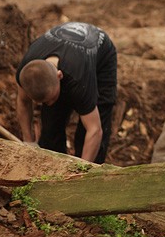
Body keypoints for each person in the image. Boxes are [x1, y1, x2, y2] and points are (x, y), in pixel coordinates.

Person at [15, 22, 117, 164]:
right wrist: (28, 141)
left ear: (59, 75)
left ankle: (92, 174)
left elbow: (95, 130)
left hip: (101, 57)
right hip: (66, 55)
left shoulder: (78, 79)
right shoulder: (25, 72)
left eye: (51, 98)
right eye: (44, 102)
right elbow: (23, 102)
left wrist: (82, 171)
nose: (49, 104)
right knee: (50, 132)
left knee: (90, 131)